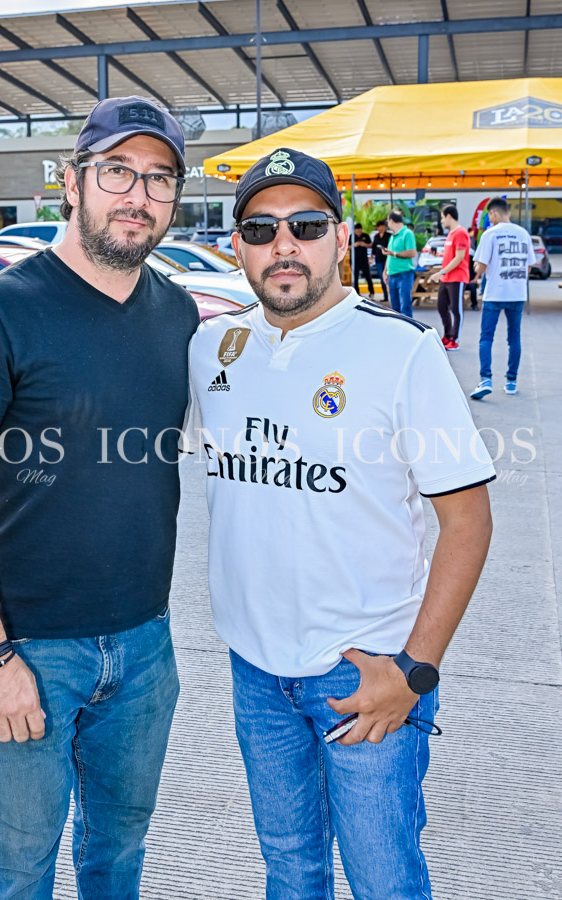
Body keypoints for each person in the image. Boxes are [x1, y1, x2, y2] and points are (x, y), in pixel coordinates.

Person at [181, 147, 495, 900]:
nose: (282, 245)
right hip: (254, 670)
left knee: (383, 882)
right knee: (289, 873)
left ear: (340, 237)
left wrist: (413, 671)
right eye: (259, 229)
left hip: (365, 673)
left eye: (305, 224)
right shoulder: (210, 348)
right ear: (236, 247)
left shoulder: (401, 350)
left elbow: (468, 522)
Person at [0, 96, 199, 899]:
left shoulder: (177, 314)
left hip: (145, 650)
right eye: (116, 171)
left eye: (158, 178)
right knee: (15, 873)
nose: (137, 194)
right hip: (28, 652)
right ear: (72, 183)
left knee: (118, 860)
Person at [469, 196, 536, 399]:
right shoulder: (523, 234)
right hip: (517, 293)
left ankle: (486, 379)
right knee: (514, 337)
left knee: (486, 337)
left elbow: (480, 267)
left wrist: (476, 272)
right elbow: (529, 265)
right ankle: (511, 382)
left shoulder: (491, 234)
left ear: (494, 213)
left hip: (495, 292)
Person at [428, 204, 470, 351]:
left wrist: (442, 272)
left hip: (457, 277)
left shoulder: (461, 233)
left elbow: (459, 257)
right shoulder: (451, 234)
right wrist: (438, 255)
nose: (441, 221)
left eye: (442, 217)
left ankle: (454, 339)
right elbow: (450, 255)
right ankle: (447, 335)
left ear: (449, 216)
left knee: (455, 309)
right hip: (446, 278)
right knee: (442, 306)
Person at [382, 209, 416, 317]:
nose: (388, 224)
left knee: (405, 306)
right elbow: (389, 256)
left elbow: (412, 252)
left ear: (391, 221)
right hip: (392, 275)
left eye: (388, 221)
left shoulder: (407, 233)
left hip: (404, 274)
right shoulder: (392, 236)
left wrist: (394, 253)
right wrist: (385, 271)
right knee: (395, 308)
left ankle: (409, 332)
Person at [352, 222, 374, 297]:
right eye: (356, 230)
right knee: (355, 277)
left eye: (359, 230)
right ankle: (357, 293)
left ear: (361, 229)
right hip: (354, 261)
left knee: (368, 276)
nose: (358, 232)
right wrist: (354, 245)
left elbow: (371, 245)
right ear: (354, 230)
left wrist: (364, 244)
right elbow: (346, 247)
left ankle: (372, 292)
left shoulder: (365, 236)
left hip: (364, 260)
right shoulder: (351, 237)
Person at [371, 219, 390, 302]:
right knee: (382, 279)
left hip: (388, 260)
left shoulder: (389, 236)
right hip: (378, 260)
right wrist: (371, 257)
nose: (379, 228)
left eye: (381, 226)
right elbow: (374, 248)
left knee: (389, 278)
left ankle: (391, 295)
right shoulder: (376, 236)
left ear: (384, 227)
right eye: (378, 227)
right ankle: (385, 295)